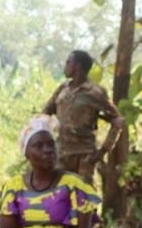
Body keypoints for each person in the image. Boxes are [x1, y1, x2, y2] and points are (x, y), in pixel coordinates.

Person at [42, 50, 125, 184]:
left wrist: (103, 151)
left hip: (84, 156)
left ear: (78, 66)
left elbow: (118, 121)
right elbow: (45, 114)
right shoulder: (63, 89)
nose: (65, 66)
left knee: (83, 194)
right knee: (58, 194)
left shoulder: (95, 92)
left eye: (68, 62)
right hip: (61, 154)